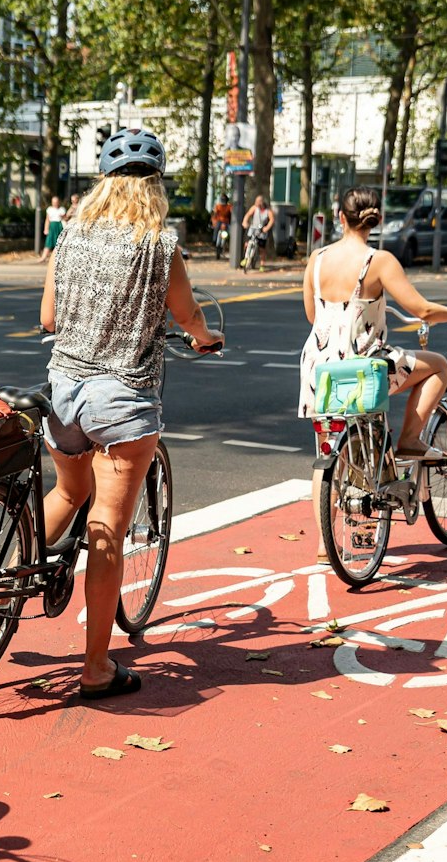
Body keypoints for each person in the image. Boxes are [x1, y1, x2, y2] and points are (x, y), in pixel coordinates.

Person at [40, 127, 222, 699]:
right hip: (120, 400)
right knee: (107, 533)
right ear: (156, 186)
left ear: (104, 181)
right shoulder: (159, 245)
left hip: (62, 391)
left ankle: (5, 587)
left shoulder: (69, 234)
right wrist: (201, 336)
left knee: (68, 492)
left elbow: (48, 318)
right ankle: (96, 667)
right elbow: (187, 313)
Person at [297, 186, 447, 459]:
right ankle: (409, 440)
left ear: (340, 217)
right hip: (362, 368)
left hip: (319, 369)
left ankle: (327, 500)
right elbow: (424, 310)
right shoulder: (379, 261)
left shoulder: (317, 259)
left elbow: (313, 317)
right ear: (376, 220)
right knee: (439, 366)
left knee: (328, 456)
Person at [241, 193, 275, 267]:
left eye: (258, 202)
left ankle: (262, 264)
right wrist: (245, 222)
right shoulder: (254, 208)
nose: (256, 203)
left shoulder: (267, 210)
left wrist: (266, 228)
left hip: (262, 230)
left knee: (261, 248)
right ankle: (245, 258)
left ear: (261, 202)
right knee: (247, 243)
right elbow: (248, 215)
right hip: (253, 228)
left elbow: (272, 220)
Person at [39, 194, 65, 261]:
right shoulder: (49, 209)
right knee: (49, 242)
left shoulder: (62, 209)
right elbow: (47, 220)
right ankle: (43, 257)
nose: (55, 204)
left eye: (56, 202)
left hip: (59, 226)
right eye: (53, 202)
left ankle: (60, 258)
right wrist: (46, 228)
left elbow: (66, 218)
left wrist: (63, 217)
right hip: (52, 226)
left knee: (59, 242)